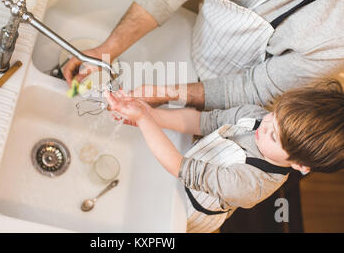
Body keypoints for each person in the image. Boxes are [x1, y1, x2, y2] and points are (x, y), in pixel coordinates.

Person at [63, 0, 344, 111]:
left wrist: (169, 95)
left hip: (226, 107)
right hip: (191, 40)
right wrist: (108, 48)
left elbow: (254, 90)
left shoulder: (336, 30)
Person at [104, 79, 344, 232]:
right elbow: (203, 121)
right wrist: (152, 115)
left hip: (189, 208)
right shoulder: (255, 116)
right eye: (276, 115)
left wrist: (144, 120)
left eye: (274, 136)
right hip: (178, 170)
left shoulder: (251, 184)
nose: (265, 125)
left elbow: (181, 167)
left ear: (300, 165)